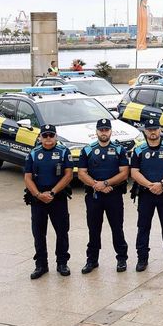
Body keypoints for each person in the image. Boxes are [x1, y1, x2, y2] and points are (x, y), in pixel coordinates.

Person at [77, 118, 130, 273]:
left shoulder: (119, 150)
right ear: (96, 132)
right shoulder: (87, 150)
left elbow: (124, 173)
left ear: (111, 131)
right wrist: (97, 185)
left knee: (117, 228)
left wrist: (106, 183)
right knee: (93, 229)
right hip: (94, 196)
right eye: (101, 130)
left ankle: (121, 259)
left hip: (114, 195)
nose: (104, 132)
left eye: (107, 130)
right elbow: (81, 173)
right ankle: (92, 261)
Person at [23, 124, 73, 279]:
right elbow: (27, 177)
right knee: (38, 233)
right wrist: (38, 195)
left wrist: (52, 192)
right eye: (45, 136)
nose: (48, 139)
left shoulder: (64, 152)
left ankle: (62, 262)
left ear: (56, 137)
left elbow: (69, 175)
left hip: (57, 196)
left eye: (51, 135)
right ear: (40, 138)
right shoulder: (33, 153)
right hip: (38, 199)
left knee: (62, 232)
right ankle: (41, 265)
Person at [130, 118, 163, 270]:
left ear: (160, 130)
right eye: (150, 129)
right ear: (145, 131)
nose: (153, 132)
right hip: (146, 194)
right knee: (143, 227)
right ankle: (142, 258)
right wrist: (150, 185)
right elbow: (134, 172)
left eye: (155, 129)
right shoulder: (139, 150)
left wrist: (162, 184)